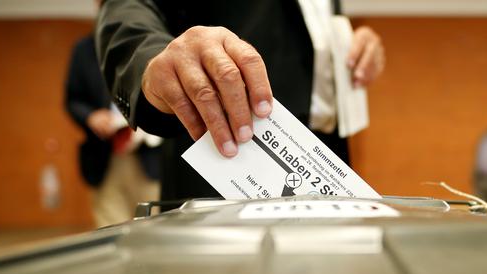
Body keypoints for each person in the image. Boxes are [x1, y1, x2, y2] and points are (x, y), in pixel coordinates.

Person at [95, 0, 385, 201]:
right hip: (228, 172)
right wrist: (150, 57)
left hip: (323, 166)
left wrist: (345, 46)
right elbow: (127, 8)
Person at [65, 1, 163, 227]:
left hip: (148, 156)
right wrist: (91, 117)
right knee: (110, 228)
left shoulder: (158, 41)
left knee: (154, 224)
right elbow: (73, 99)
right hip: (105, 157)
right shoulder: (83, 49)